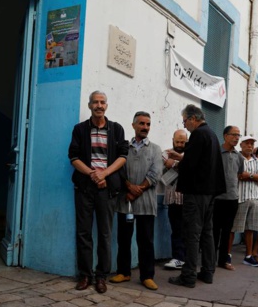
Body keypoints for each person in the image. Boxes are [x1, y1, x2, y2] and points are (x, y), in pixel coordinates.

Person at [69, 91, 129, 294]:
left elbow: (122, 157)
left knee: (105, 233)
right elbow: (74, 158)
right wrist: (93, 174)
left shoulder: (117, 129)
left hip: (107, 189)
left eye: (102, 102)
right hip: (85, 188)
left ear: (107, 106)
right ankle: (85, 275)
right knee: (84, 232)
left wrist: (104, 175)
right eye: (95, 102)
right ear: (89, 105)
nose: (99, 105)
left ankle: (101, 276)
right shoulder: (80, 129)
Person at [167, 104, 226, 287]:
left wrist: (175, 163)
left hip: (196, 192)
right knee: (207, 233)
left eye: (185, 121)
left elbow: (191, 165)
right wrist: (182, 158)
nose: (185, 125)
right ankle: (207, 272)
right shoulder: (211, 134)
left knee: (191, 234)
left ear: (193, 118)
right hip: (209, 192)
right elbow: (202, 162)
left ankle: (188, 275)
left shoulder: (199, 134)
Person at [110, 112, 163, 290]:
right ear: (133, 125)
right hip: (126, 202)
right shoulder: (125, 147)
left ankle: (147, 275)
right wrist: (128, 187)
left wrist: (137, 189)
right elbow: (119, 170)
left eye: (148, 124)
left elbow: (156, 173)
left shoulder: (155, 149)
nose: (145, 127)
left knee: (146, 241)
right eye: (141, 123)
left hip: (146, 203)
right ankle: (123, 272)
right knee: (123, 239)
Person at [213, 125, 244, 271]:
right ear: (225, 136)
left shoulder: (239, 157)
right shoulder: (216, 152)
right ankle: (210, 260)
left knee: (227, 231)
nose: (237, 138)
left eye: (238, 135)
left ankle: (223, 260)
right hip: (217, 198)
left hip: (232, 199)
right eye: (234, 135)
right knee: (213, 230)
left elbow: (238, 174)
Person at [231, 136, 258, 267]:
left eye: (252, 144)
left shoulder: (256, 161)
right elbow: (238, 176)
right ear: (241, 145)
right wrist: (251, 177)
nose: (249, 146)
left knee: (250, 228)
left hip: (254, 197)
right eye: (247, 143)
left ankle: (248, 255)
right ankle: (227, 255)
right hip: (240, 197)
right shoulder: (237, 158)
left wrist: (249, 176)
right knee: (234, 228)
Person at [162, 129, 188, 270]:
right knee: (176, 229)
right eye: (177, 141)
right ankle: (178, 258)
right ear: (173, 140)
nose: (179, 144)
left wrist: (177, 162)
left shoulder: (190, 155)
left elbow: (191, 168)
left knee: (187, 230)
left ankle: (184, 258)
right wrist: (181, 164)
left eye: (182, 142)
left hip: (187, 199)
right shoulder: (166, 153)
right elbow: (165, 163)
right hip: (173, 198)